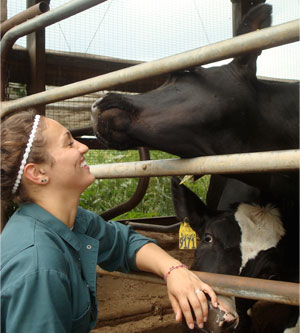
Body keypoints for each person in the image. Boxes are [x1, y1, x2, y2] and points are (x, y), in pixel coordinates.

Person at [0, 110, 218, 333]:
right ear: (37, 173)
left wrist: (173, 270)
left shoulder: (69, 221)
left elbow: (123, 243)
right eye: (69, 144)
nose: (83, 147)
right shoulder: (39, 269)